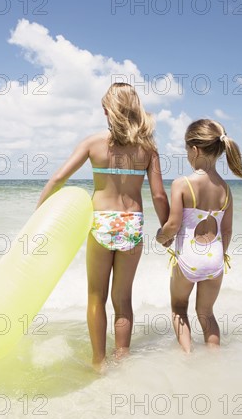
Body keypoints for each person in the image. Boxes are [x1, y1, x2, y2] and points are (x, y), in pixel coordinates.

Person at [36, 82, 170, 371]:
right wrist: (168, 229)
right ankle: (123, 360)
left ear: (107, 109)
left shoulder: (92, 143)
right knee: (122, 299)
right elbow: (159, 195)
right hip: (131, 224)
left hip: (100, 222)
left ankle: (99, 361)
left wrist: (39, 214)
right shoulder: (148, 149)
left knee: (96, 295)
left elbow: (58, 178)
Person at [156, 119, 242, 353]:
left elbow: (174, 224)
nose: (187, 153)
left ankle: (187, 358)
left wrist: (161, 236)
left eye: (187, 149)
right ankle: (214, 357)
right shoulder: (226, 189)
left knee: (178, 308)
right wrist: (218, 256)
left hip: (189, 259)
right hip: (216, 260)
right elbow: (226, 231)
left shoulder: (182, 183)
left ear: (195, 150)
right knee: (206, 313)